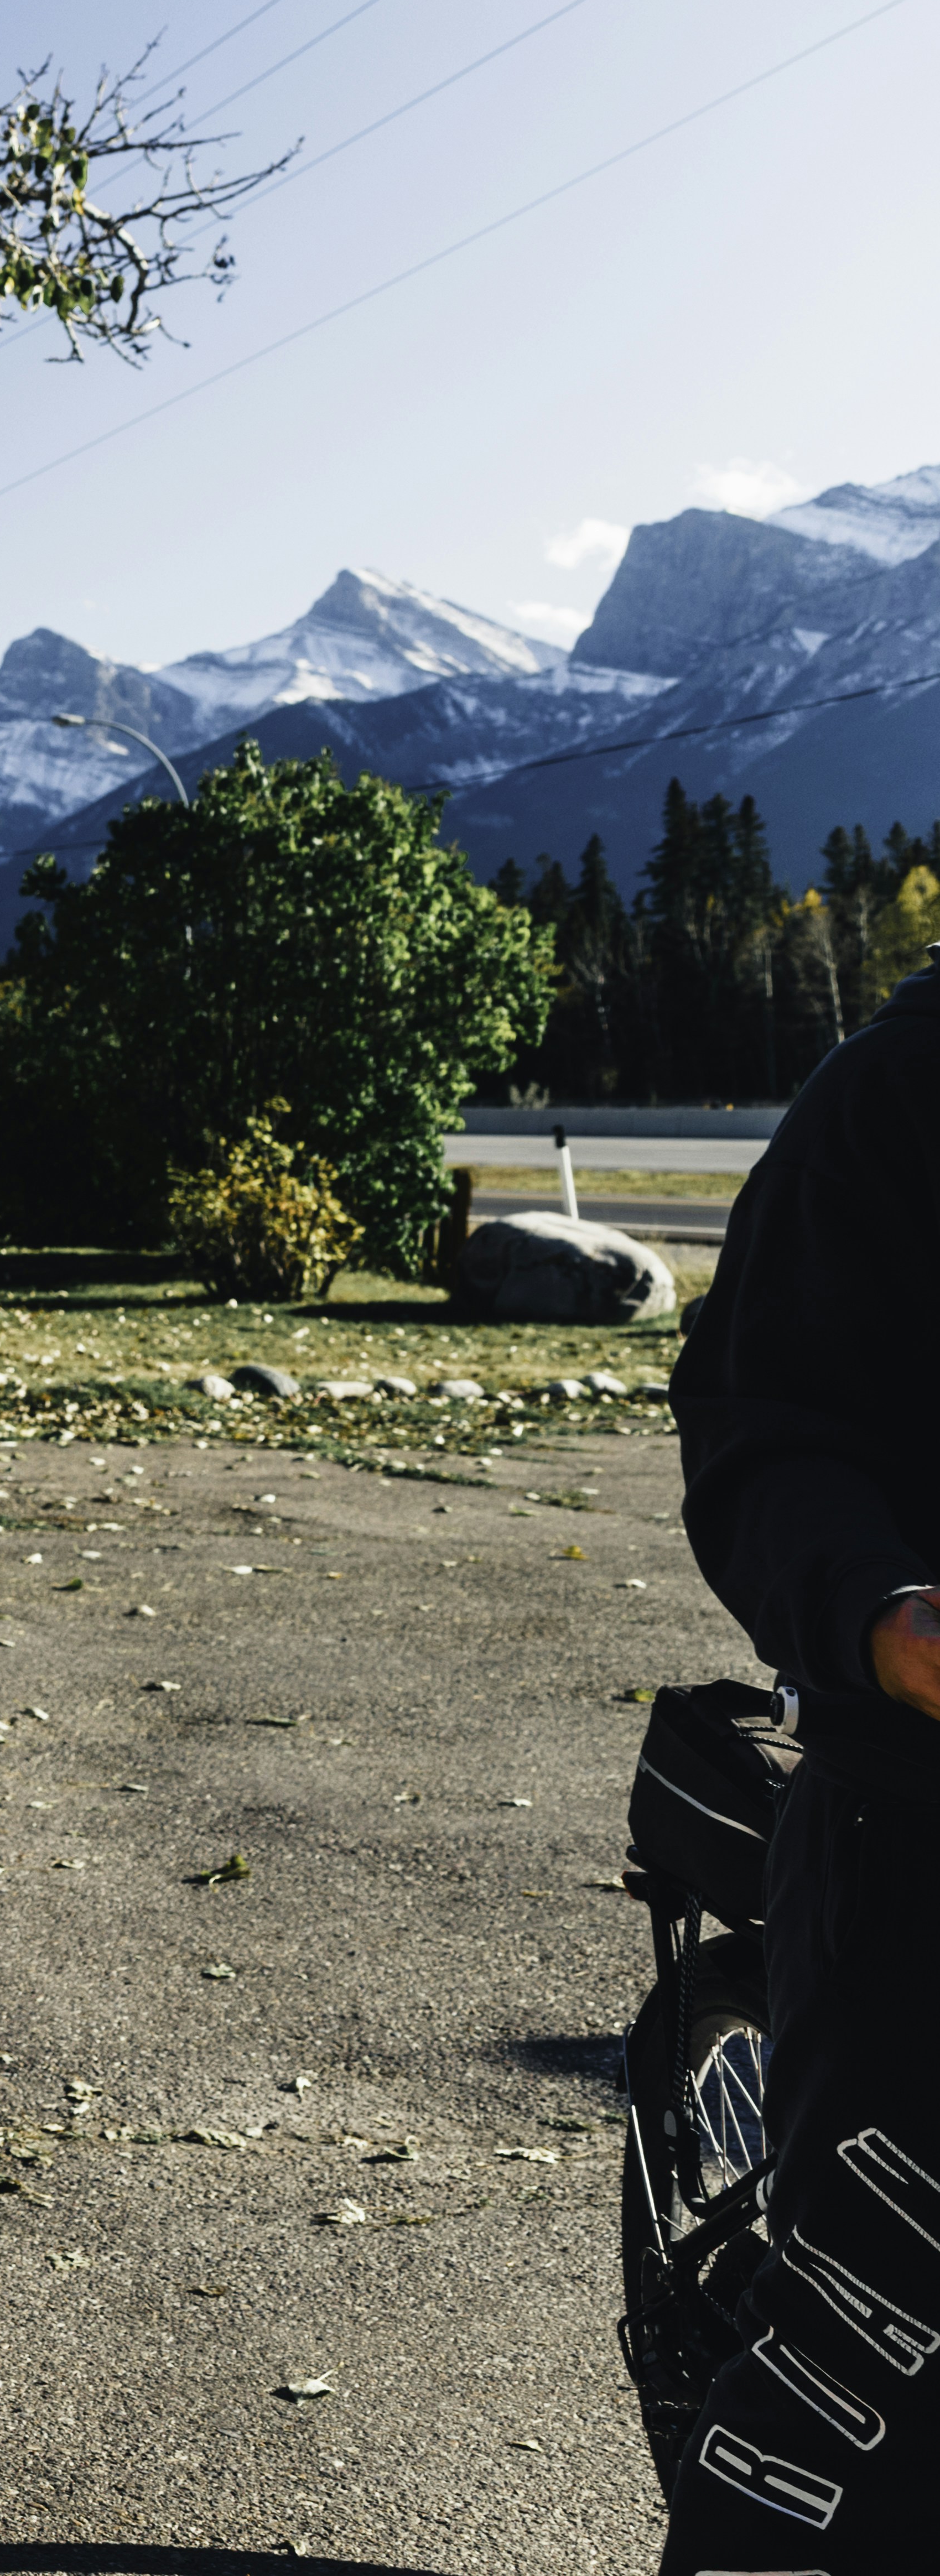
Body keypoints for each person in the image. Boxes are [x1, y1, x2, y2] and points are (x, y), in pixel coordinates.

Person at [661, 938, 940, 2575]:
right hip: (921, 1848)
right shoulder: (905, 1097)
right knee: (854, 2435)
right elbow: (769, 1429)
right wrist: (883, 1612)